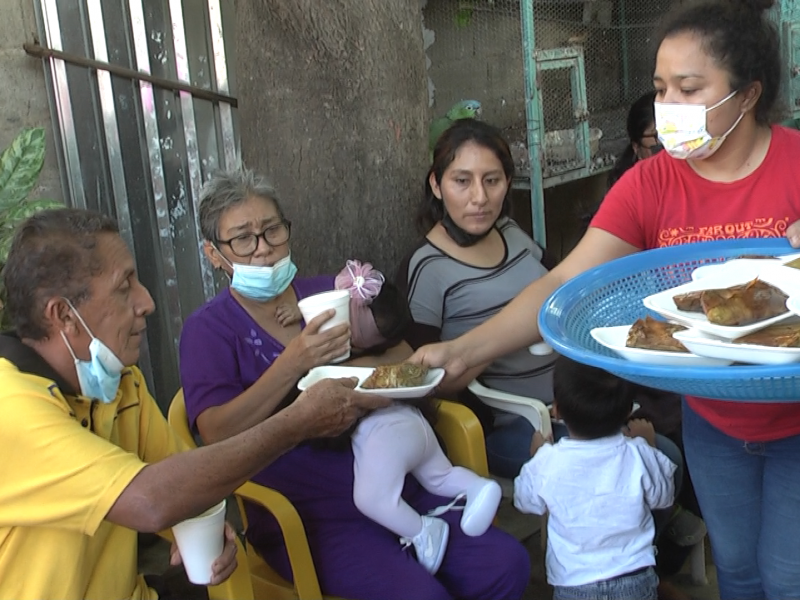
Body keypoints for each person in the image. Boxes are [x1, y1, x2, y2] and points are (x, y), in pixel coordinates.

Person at [412, 1, 800, 598]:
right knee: (740, 572)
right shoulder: (652, 182)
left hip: (794, 420)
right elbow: (561, 281)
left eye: (688, 89)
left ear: (746, 96)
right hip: (714, 421)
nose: (667, 107)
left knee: (788, 576)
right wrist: (462, 351)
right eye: (660, 89)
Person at [0, 208, 387, 600]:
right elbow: (151, 500)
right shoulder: (11, 408)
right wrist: (297, 422)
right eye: (124, 286)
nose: (147, 302)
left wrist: (197, 522)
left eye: (274, 231)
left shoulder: (122, 384)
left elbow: (179, 481)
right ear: (64, 314)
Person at [179, 169, 530, 600]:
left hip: (400, 481)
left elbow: (403, 353)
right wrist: (294, 364)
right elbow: (216, 432)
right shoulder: (208, 330)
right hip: (311, 514)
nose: (265, 248)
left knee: (506, 567)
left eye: (273, 230)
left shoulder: (332, 293)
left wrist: (354, 372)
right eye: (243, 239)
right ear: (214, 254)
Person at [281, 259, 504, 575]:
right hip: (417, 424)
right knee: (439, 476)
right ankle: (478, 488)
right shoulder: (397, 358)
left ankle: (423, 531)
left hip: (384, 434)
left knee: (371, 499)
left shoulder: (340, 366)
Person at [396, 118, 558, 478]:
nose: (480, 198)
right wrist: (510, 332)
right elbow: (424, 382)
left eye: (492, 180)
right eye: (462, 181)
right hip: (506, 424)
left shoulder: (513, 234)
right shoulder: (426, 268)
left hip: (573, 404)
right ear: (436, 185)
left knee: (661, 451)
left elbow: (565, 291)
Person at [515, 357, 676, 600]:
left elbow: (524, 501)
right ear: (627, 410)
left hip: (573, 584)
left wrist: (536, 457)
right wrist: (649, 445)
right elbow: (663, 498)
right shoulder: (639, 454)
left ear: (556, 410)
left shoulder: (547, 462)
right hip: (634, 579)